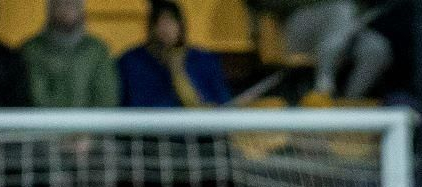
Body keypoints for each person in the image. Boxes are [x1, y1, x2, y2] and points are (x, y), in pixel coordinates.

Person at [247, 0, 391, 100]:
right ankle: (324, 87)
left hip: (344, 29)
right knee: (342, 8)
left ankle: (349, 102)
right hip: (294, 25)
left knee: (376, 49)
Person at [118, 0, 229, 108]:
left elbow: (221, 106)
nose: (165, 29)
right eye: (159, 22)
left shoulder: (203, 60)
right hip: (143, 125)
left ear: (180, 26)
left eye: (170, 21)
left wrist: (177, 71)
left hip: (194, 125)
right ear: (150, 27)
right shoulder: (130, 62)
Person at [21, 0, 118, 109]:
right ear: (50, 9)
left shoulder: (97, 50)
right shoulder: (32, 50)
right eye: (61, 3)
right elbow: (35, 98)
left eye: (72, 3)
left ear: (82, 10)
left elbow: (106, 98)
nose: (67, 8)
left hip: (90, 125)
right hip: (43, 124)